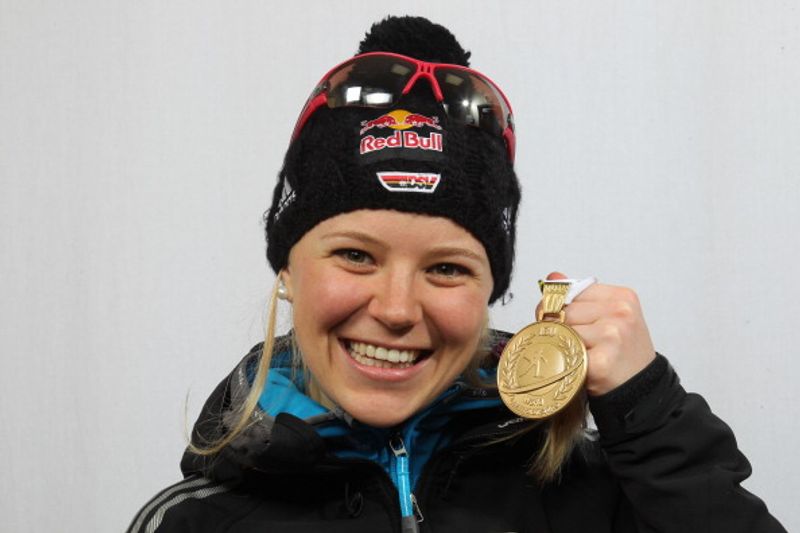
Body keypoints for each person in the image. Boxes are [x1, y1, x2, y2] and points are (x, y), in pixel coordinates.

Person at [128, 16, 786, 533]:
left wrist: (646, 413)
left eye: (446, 267)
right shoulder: (195, 519)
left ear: (489, 291)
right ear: (289, 271)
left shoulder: (594, 492)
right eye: (356, 255)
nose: (396, 307)